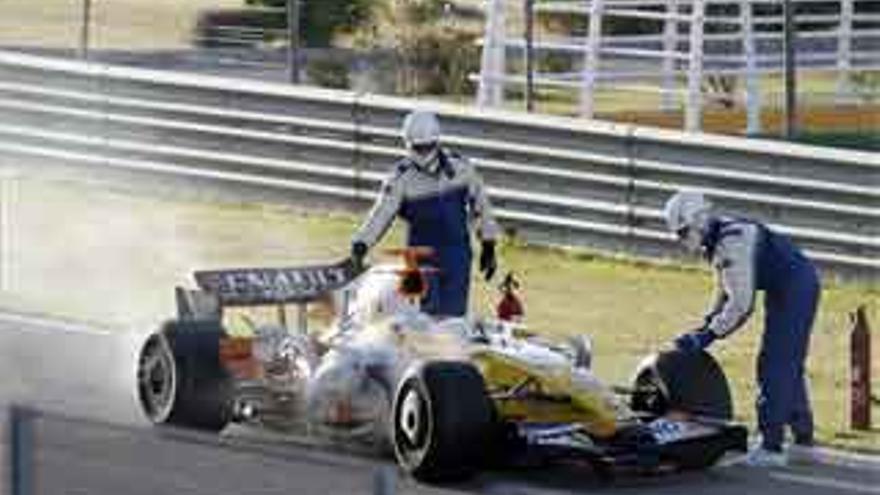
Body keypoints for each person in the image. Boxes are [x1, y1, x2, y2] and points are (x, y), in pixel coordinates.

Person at [663, 190, 821, 468]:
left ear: (697, 221)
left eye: (683, 231)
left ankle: (771, 447)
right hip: (789, 284)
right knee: (787, 364)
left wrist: (707, 335)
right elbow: (727, 290)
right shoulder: (721, 237)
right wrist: (705, 325)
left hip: (795, 287)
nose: (681, 239)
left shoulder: (731, 243)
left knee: (775, 364)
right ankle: (803, 442)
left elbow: (741, 304)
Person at [350, 110, 500, 317]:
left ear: (437, 141)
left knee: (453, 320)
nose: (423, 153)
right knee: (422, 320)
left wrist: (489, 244)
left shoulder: (461, 168)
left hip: (457, 256)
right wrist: (361, 244)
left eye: (427, 146)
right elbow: (381, 214)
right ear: (407, 144)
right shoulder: (400, 178)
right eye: (418, 148)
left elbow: (481, 206)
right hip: (419, 258)